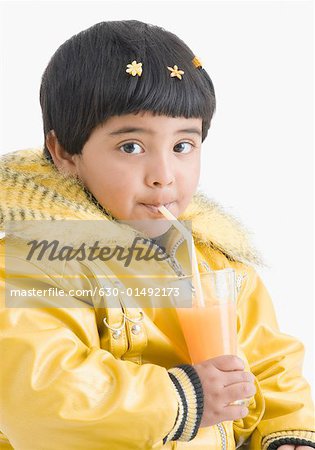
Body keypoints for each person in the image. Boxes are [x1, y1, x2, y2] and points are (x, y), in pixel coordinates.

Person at [0, 20, 314, 450]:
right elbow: (38, 393)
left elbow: (268, 359)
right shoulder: (36, 260)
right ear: (64, 153)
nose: (163, 176)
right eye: (131, 146)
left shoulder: (216, 262)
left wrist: (287, 431)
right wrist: (183, 398)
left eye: (183, 146)